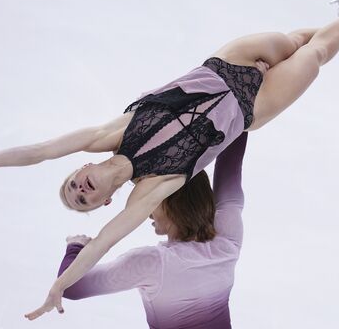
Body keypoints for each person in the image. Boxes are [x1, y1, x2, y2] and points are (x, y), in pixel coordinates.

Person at [0, 0, 339, 320]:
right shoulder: (152, 190)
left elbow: (39, 150)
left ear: (83, 166)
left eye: (72, 186)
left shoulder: (108, 134)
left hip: (227, 63)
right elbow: (102, 244)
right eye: (83, 201)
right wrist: (60, 285)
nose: (79, 191)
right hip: (254, 108)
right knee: (317, 53)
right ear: (104, 202)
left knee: (294, 40)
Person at [56, 132, 249, 329]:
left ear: (168, 199)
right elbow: (231, 163)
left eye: (148, 201)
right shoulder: (227, 238)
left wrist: (75, 247)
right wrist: (240, 111)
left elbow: (70, 288)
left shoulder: (152, 264)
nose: (146, 213)